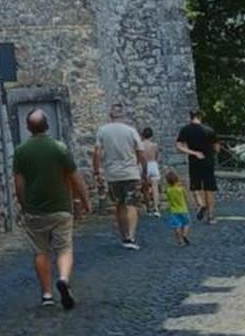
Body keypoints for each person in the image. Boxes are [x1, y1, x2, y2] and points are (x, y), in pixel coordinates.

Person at [12, 109, 90, 309]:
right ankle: (63, 279)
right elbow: (75, 177)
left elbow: (19, 183)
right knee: (64, 247)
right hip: (60, 207)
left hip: (35, 210)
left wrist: (24, 204)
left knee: (41, 251)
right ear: (47, 125)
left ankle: (46, 294)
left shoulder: (21, 151)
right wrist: (84, 200)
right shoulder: (59, 148)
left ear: (28, 128)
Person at [92, 105, 144, 249]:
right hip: (130, 172)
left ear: (110, 116)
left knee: (119, 204)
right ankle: (131, 236)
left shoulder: (102, 131)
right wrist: (140, 167)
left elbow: (97, 153)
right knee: (131, 204)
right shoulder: (131, 131)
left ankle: (124, 236)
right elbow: (140, 151)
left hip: (113, 174)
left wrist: (97, 171)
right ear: (123, 116)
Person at [177, 109, 219, 224]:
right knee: (209, 188)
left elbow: (178, 146)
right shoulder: (209, 130)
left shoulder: (185, 129)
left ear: (190, 116)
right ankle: (210, 216)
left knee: (195, 186)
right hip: (208, 161)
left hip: (194, 161)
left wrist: (193, 152)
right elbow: (216, 148)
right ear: (200, 116)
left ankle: (201, 204)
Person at [164, 169, 193, 245]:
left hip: (174, 211)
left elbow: (169, 199)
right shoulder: (180, 189)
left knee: (177, 226)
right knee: (186, 223)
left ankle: (179, 241)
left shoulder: (168, 190)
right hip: (183, 210)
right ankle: (185, 234)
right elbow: (186, 196)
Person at [138, 126, 162, 214]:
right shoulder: (154, 145)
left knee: (145, 188)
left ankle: (148, 207)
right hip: (153, 164)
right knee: (155, 187)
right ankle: (156, 207)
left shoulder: (140, 145)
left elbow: (139, 157)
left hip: (143, 165)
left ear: (143, 135)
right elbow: (156, 156)